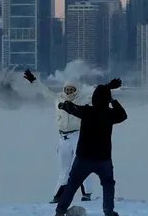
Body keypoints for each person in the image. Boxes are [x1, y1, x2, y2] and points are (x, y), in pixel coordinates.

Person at [21, 70, 104, 203]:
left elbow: (98, 96)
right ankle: (58, 195)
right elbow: (44, 90)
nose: (69, 91)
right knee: (64, 168)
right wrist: (34, 81)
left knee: (83, 165)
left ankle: (87, 193)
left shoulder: (83, 99)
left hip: (78, 136)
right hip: (63, 138)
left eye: (72, 89)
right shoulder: (58, 98)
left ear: (76, 90)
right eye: (67, 89)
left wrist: (109, 88)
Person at [53, 81, 127, 216]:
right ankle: (108, 211)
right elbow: (123, 115)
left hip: (83, 157)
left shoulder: (87, 111)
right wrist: (112, 100)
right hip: (103, 158)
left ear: (93, 98)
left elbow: (70, 107)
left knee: (72, 184)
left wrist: (63, 105)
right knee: (108, 184)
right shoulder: (110, 114)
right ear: (107, 99)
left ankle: (60, 212)